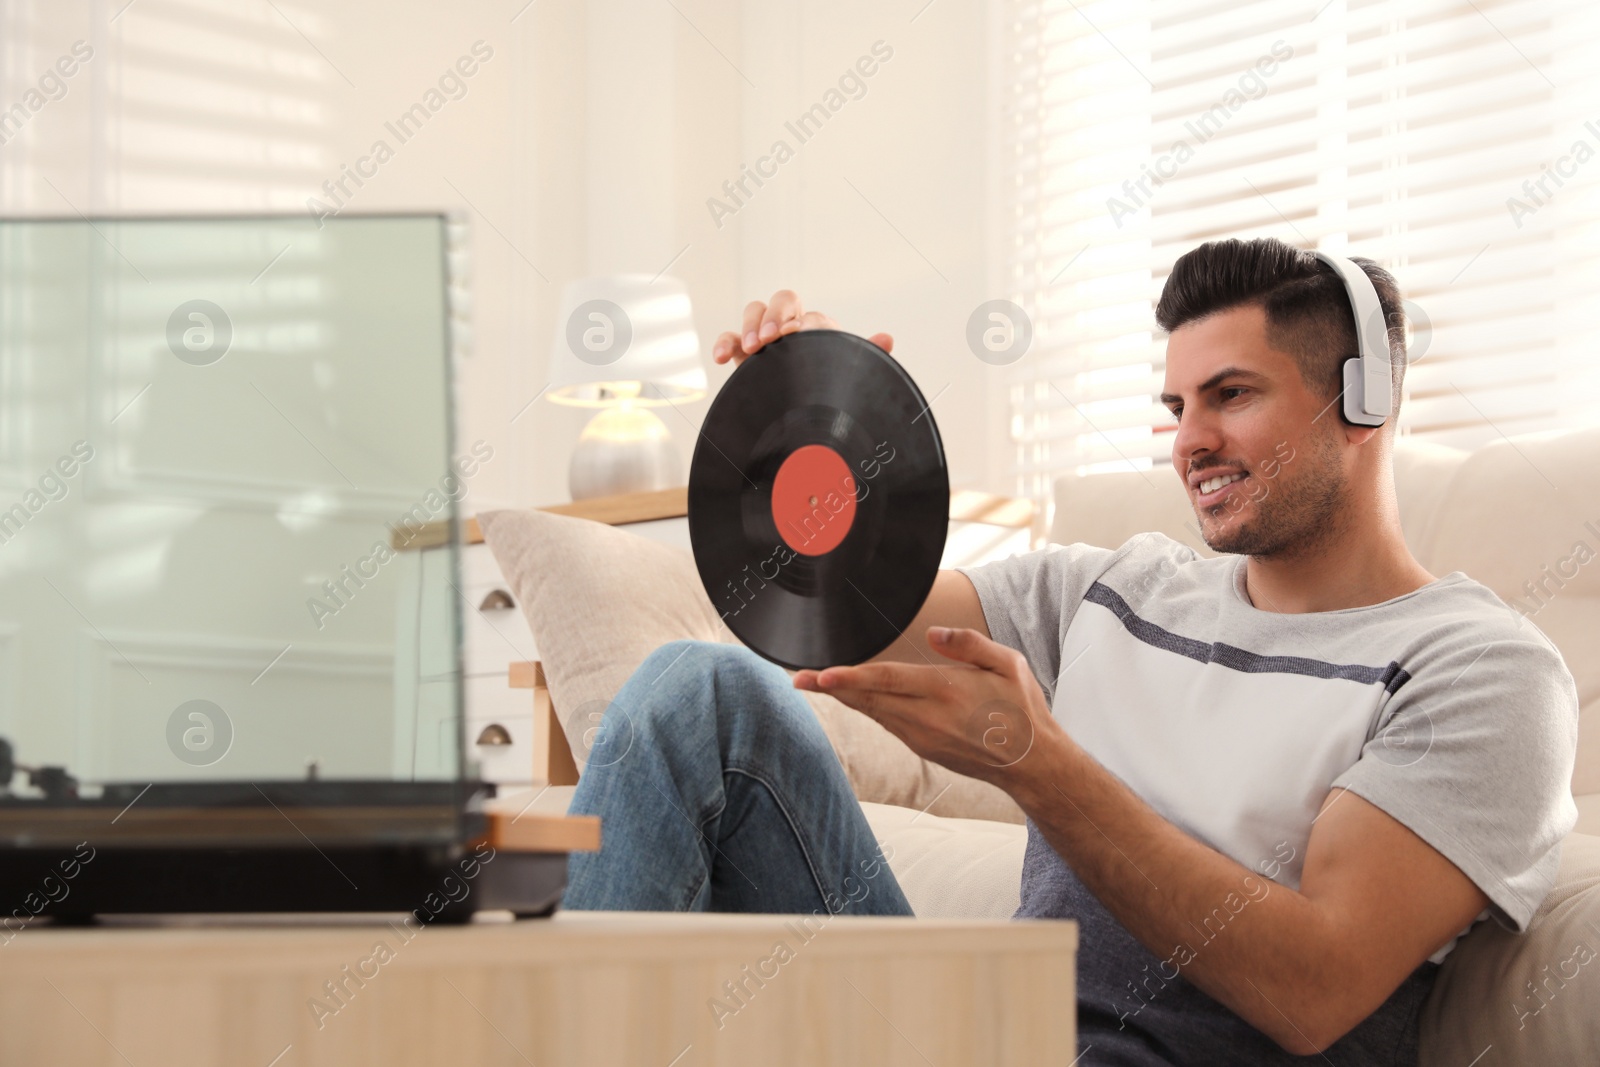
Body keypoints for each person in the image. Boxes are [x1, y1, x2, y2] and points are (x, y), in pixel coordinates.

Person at [562, 237, 1579, 1065]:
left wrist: (1041, 769)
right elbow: (861, 601)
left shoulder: (1479, 670)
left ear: (1362, 400)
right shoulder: (1119, 588)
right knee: (696, 690)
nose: (1188, 440)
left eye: (1230, 394)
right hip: (983, 1041)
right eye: (1177, 406)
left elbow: (1313, 987)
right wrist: (828, 420)